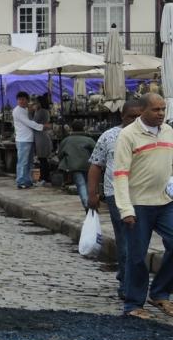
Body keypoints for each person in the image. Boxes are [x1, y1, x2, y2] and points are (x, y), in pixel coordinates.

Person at [110, 94, 173, 320]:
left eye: (163, 109)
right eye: (156, 109)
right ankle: (134, 304)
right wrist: (125, 208)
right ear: (143, 110)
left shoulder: (168, 132)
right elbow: (120, 174)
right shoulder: (128, 136)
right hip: (138, 204)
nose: (161, 113)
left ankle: (160, 292)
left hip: (165, 202)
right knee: (137, 256)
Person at [88, 99, 144, 302]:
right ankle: (126, 284)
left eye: (139, 116)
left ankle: (130, 277)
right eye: (131, 116)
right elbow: (96, 165)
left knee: (140, 241)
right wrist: (92, 193)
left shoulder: (149, 135)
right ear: (122, 116)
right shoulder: (109, 136)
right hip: (116, 195)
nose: (136, 120)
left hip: (145, 196)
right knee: (125, 240)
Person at [12, 92, 44, 189]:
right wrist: (42, 126)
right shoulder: (17, 111)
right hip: (23, 140)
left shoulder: (25, 109)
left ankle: (28, 180)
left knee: (29, 162)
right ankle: (21, 181)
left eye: (23, 99)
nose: (21, 101)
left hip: (28, 139)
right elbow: (28, 123)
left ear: (27, 100)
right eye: (19, 99)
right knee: (23, 161)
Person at [58, 131, 97, 209]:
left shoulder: (66, 140)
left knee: (81, 184)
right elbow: (96, 151)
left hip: (74, 166)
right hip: (88, 165)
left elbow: (60, 154)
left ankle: (86, 205)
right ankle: (90, 203)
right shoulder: (89, 140)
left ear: (72, 129)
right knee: (88, 184)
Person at [31, 94, 54, 186]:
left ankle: (44, 178)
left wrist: (33, 111)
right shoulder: (44, 111)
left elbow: (33, 123)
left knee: (43, 159)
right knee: (43, 159)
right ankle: (44, 178)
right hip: (41, 137)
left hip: (42, 138)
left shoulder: (41, 111)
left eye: (36, 102)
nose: (35, 104)